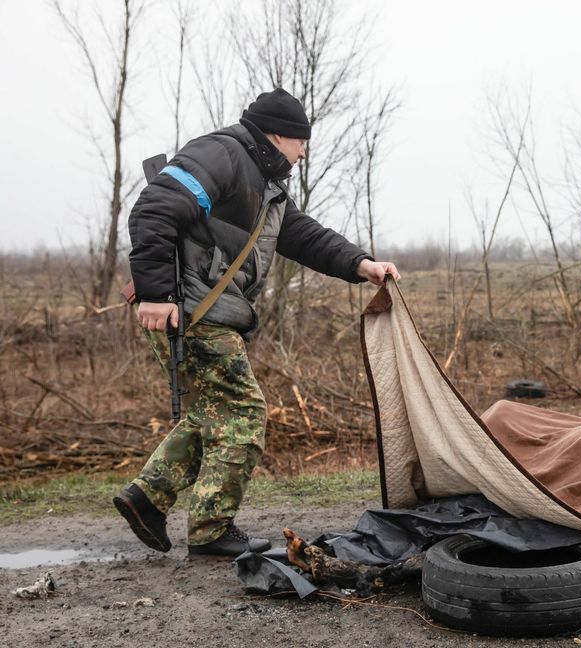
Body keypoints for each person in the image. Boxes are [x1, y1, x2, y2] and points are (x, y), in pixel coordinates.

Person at [113, 88, 400, 557]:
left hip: (207, 312)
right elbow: (155, 208)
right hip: (190, 310)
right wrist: (155, 293)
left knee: (215, 413)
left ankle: (148, 497)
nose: (305, 152)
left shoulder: (266, 184)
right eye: (301, 142)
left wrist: (360, 265)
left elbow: (304, 236)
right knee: (243, 412)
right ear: (279, 134)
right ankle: (209, 529)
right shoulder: (223, 153)